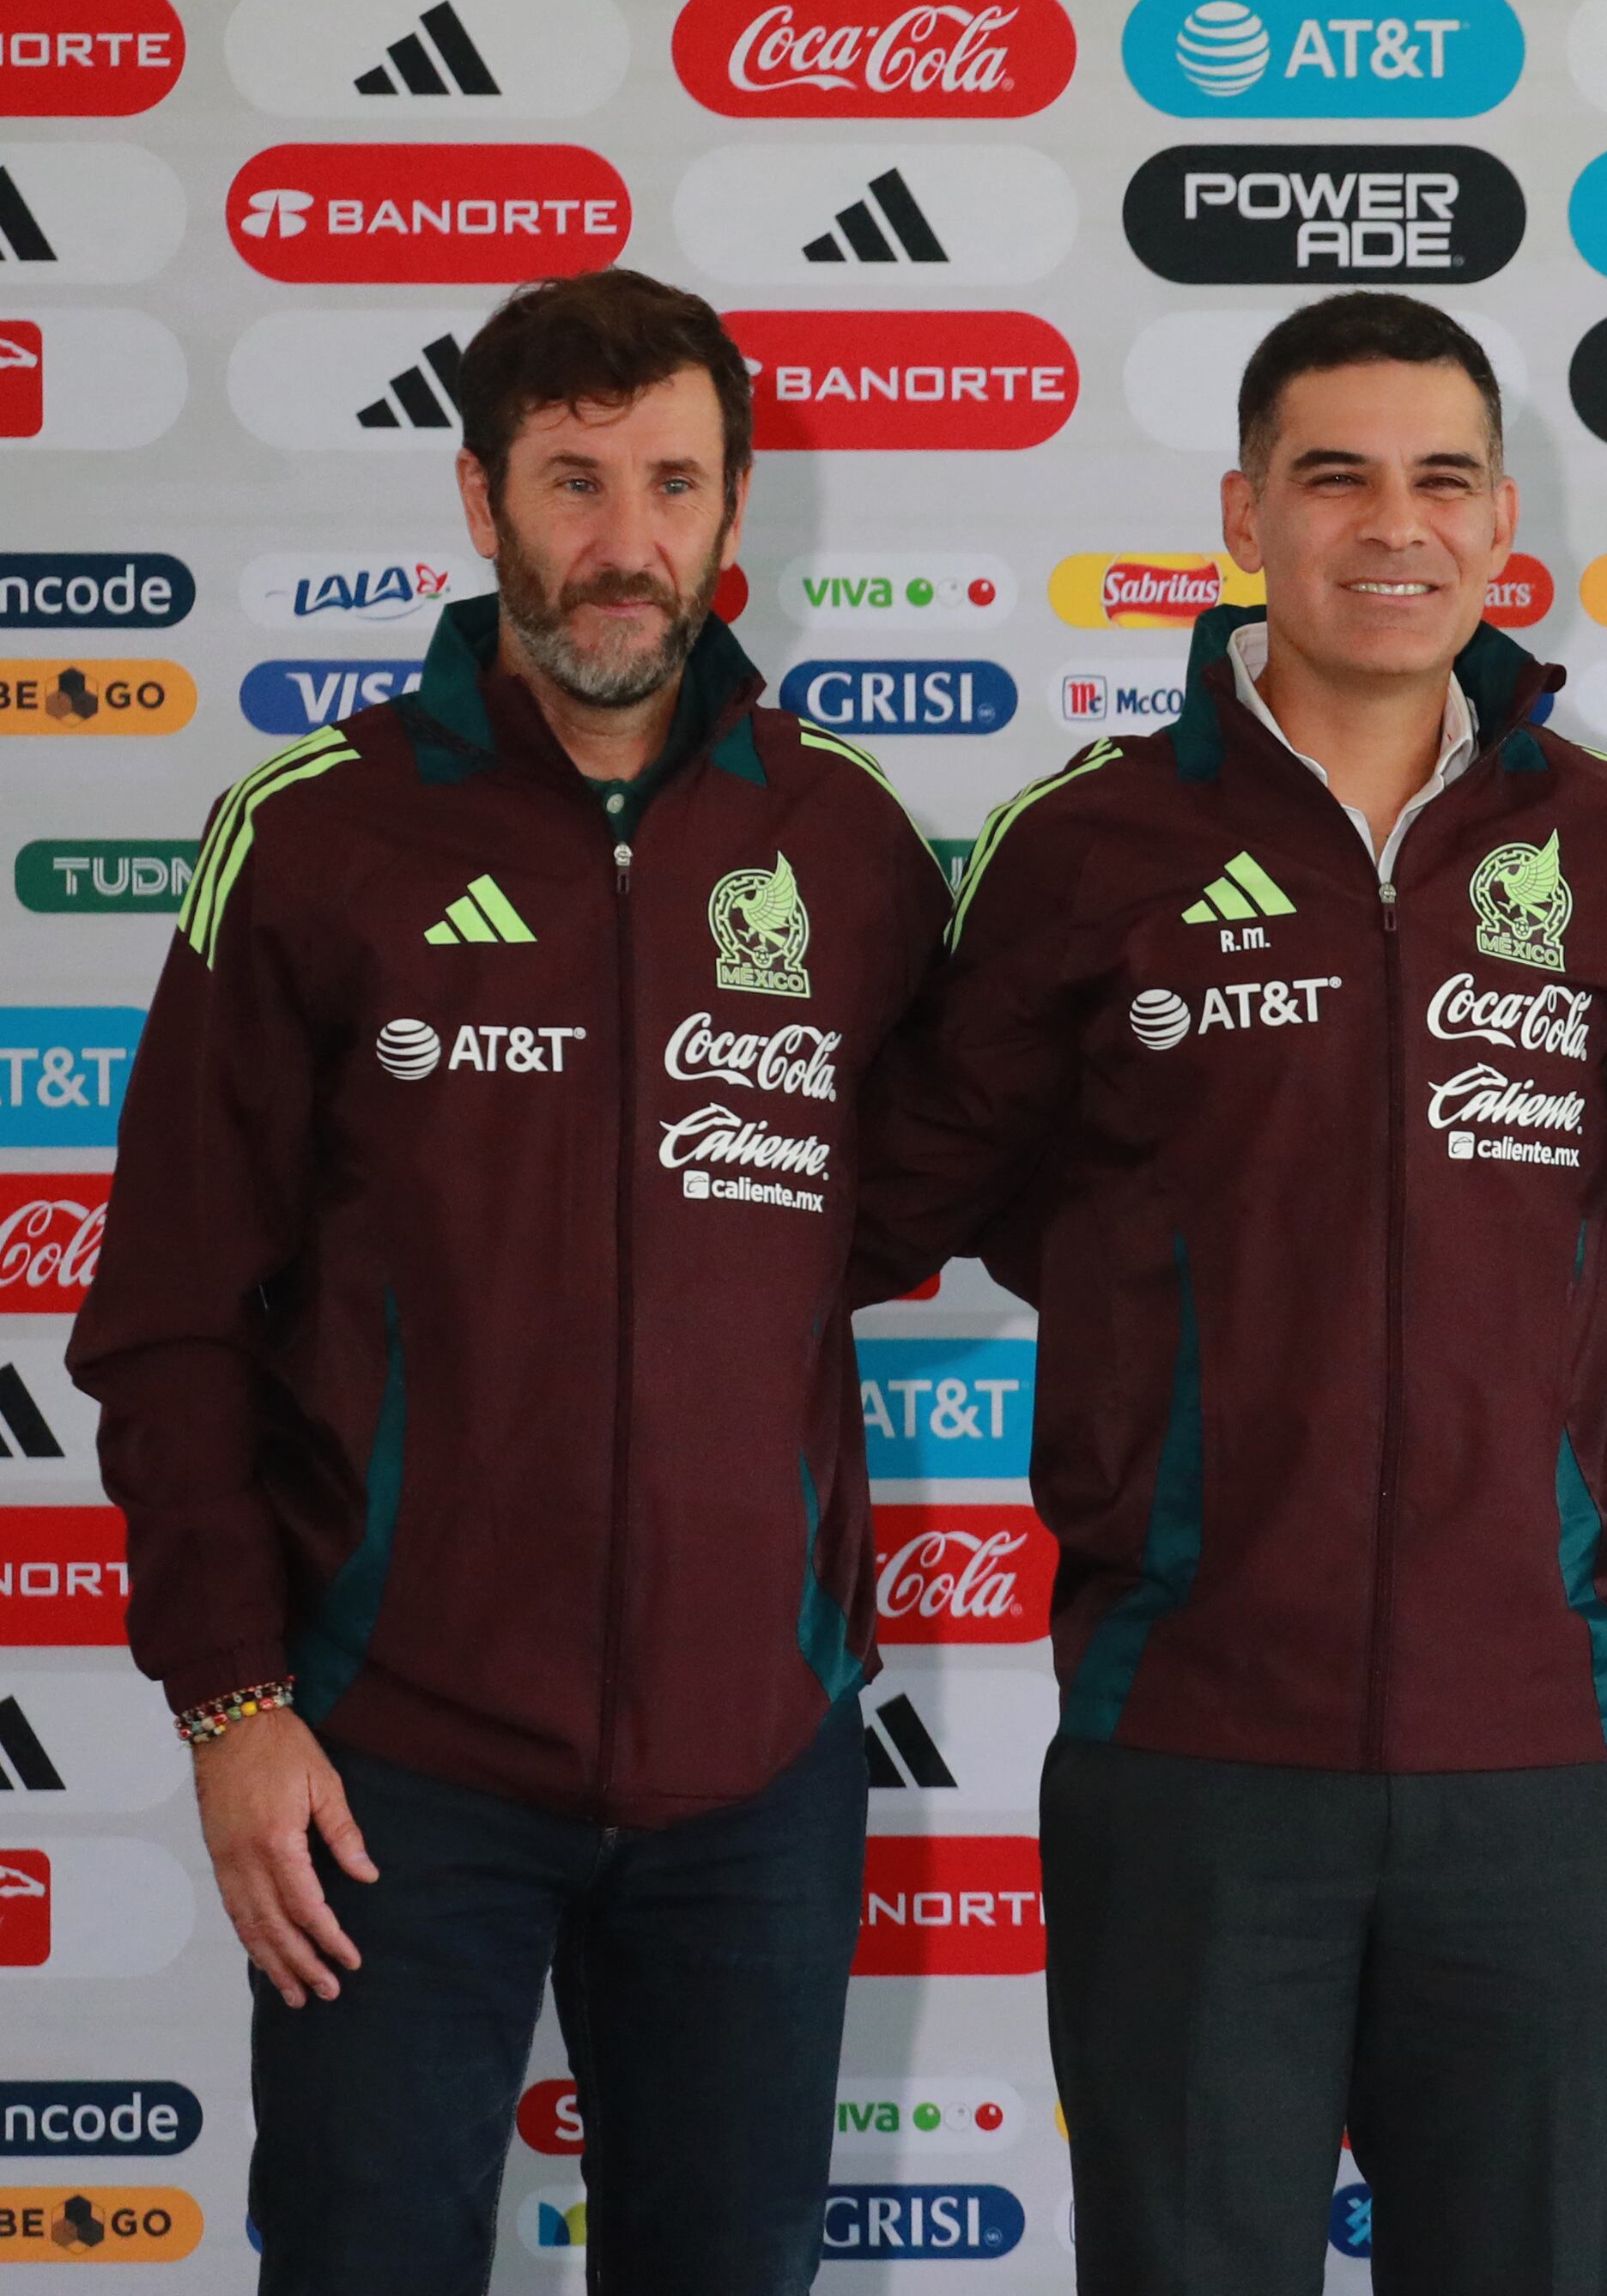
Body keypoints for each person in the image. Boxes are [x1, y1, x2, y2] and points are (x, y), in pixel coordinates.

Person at [67, 269, 949, 2292]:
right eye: (571, 480)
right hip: (391, 1763)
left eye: (670, 482)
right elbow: (171, 1306)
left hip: (759, 1767)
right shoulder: (312, 837)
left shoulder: (849, 841)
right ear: (479, 501)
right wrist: (231, 1699)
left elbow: (884, 1208)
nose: (622, 542)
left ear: (735, 515)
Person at [853, 292, 1607, 2296]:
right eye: (1335, 476)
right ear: (1246, 512)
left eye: (1439, 479)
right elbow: (910, 1195)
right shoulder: (1089, 848)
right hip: (1192, 1751)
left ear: (1505, 517)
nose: (1390, 525)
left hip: (1536, 1751)